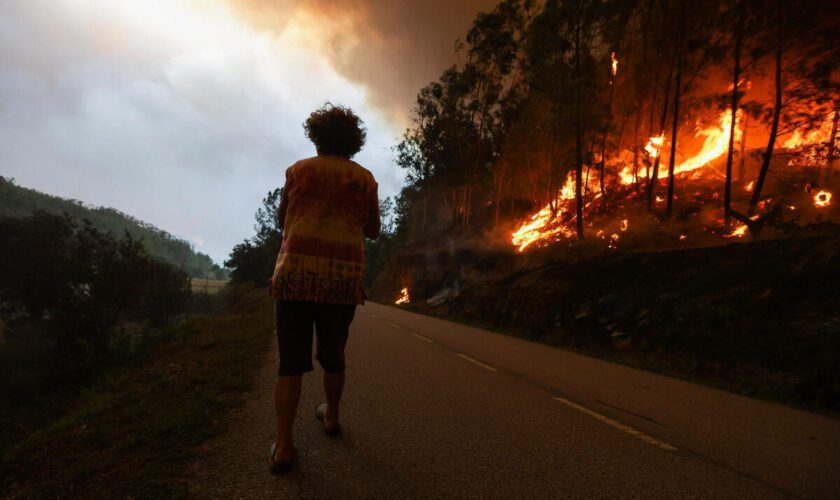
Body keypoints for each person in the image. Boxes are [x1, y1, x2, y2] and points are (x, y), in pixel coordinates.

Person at [268, 103, 380, 474]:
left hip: (295, 275)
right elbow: (373, 229)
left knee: (289, 364)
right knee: (334, 356)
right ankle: (331, 417)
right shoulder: (365, 179)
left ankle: (284, 447)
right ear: (354, 141)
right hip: (341, 281)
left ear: (316, 137)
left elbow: (283, 218)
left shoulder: (298, 171)